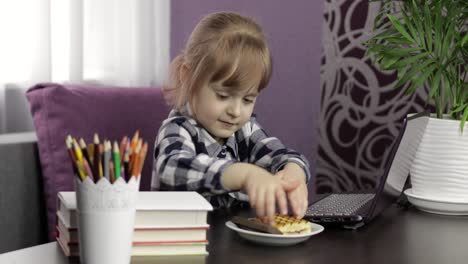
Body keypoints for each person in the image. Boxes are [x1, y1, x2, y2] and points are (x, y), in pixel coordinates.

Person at [151, 11, 310, 224]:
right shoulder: (177, 129)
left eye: (247, 100)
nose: (236, 111)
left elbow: (279, 154)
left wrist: (294, 172)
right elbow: (172, 168)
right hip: (182, 243)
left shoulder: (245, 130)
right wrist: (244, 175)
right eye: (223, 95)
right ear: (187, 76)